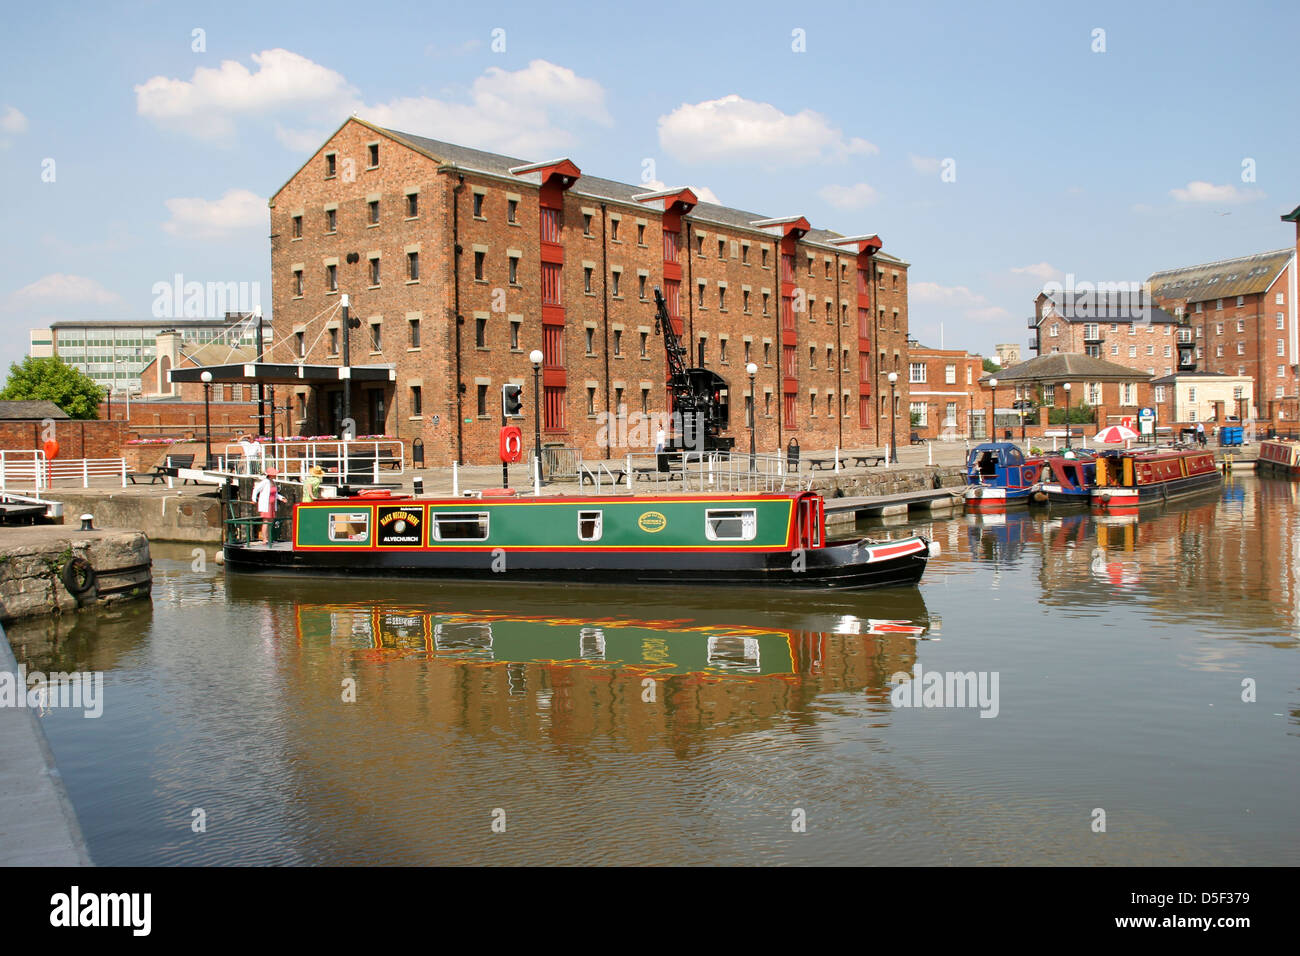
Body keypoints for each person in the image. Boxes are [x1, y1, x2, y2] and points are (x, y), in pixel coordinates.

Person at [252, 467, 279, 544]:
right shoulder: (265, 482)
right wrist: (254, 499)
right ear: (270, 475)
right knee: (266, 521)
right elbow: (256, 489)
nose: (276, 475)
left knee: (271, 521)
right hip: (266, 504)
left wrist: (281, 498)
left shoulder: (273, 482)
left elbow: (275, 493)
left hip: (273, 503)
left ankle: (270, 537)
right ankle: (265, 538)